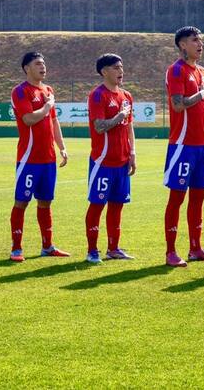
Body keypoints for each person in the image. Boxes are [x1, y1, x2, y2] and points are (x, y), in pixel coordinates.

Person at [163, 26, 204, 267]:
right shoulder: (176, 71)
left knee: (198, 197)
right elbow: (178, 105)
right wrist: (201, 93)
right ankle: (171, 252)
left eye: (201, 40)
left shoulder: (203, 72)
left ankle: (196, 248)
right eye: (195, 40)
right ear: (182, 45)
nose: (200, 44)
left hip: (201, 146)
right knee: (177, 197)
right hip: (182, 145)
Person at [8, 52, 70, 262]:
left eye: (44, 63)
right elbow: (27, 119)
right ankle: (16, 249)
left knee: (45, 202)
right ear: (27, 68)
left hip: (48, 159)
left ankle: (48, 246)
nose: (43, 67)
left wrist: (61, 147)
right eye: (38, 64)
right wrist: (46, 107)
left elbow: (53, 122)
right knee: (21, 202)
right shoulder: (20, 91)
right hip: (29, 159)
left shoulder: (48, 90)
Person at [84, 54, 136, 264]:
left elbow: (130, 126)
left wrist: (132, 153)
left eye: (122, 67)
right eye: (116, 67)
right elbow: (99, 126)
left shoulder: (126, 96)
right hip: (102, 162)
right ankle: (92, 251)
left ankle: (113, 248)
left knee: (117, 205)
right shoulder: (97, 95)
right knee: (97, 204)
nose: (120, 71)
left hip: (122, 161)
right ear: (104, 71)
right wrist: (119, 117)